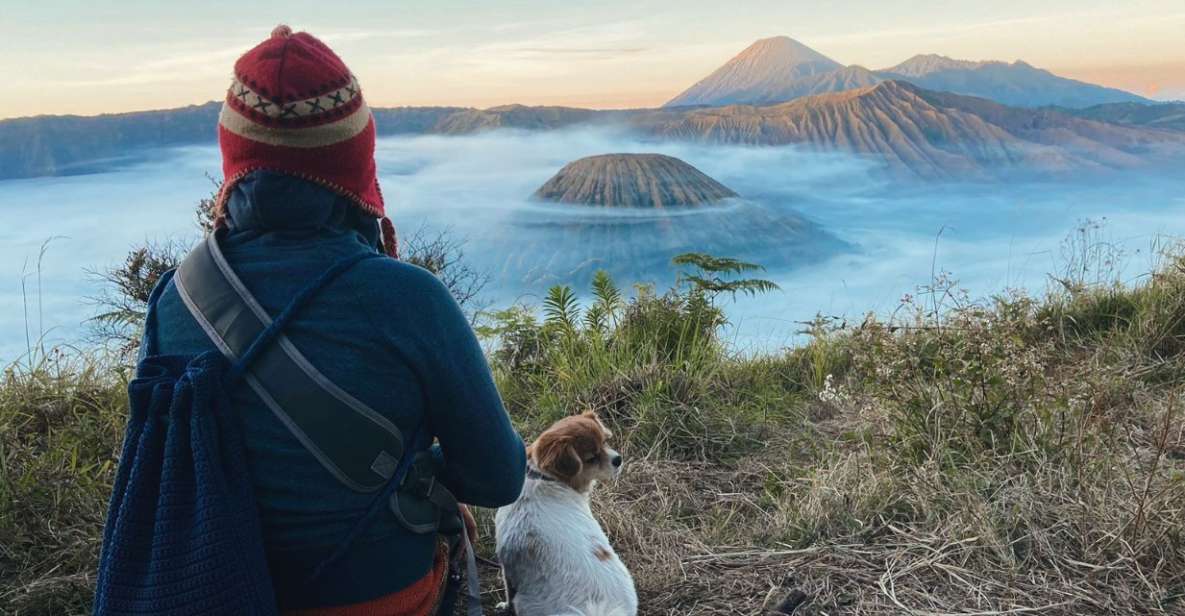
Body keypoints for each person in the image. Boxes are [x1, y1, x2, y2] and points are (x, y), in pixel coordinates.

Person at [143, 25, 526, 614]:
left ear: (235, 160)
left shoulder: (175, 299)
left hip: (217, 588)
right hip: (379, 597)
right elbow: (499, 478)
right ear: (353, 165)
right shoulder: (408, 297)